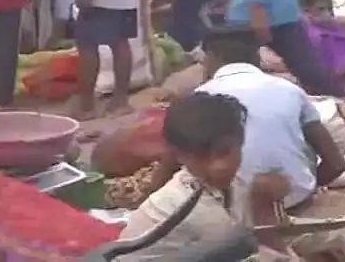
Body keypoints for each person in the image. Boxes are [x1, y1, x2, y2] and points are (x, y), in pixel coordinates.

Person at [145, 29, 345, 210]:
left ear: (212, 57)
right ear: (257, 58)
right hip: (293, 201)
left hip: (229, 210)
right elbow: (336, 164)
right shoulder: (291, 90)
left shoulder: (200, 99)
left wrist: (149, 202)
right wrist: (303, 189)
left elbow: (169, 164)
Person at [117, 92, 303, 260]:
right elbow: (256, 247)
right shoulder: (181, 204)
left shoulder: (237, 184)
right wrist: (262, 210)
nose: (218, 167)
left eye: (225, 152)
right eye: (201, 157)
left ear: (241, 141)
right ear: (179, 156)